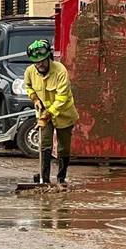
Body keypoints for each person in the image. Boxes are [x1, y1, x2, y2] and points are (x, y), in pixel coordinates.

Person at [24, 39, 79, 185]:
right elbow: (28, 86)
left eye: (42, 60)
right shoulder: (30, 72)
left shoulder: (60, 71)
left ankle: (61, 178)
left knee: (63, 147)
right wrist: (34, 98)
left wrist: (48, 114)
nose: (40, 64)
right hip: (43, 114)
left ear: (48, 57)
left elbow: (62, 97)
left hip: (63, 114)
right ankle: (45, 179)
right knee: (44, 144)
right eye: (36, 62)